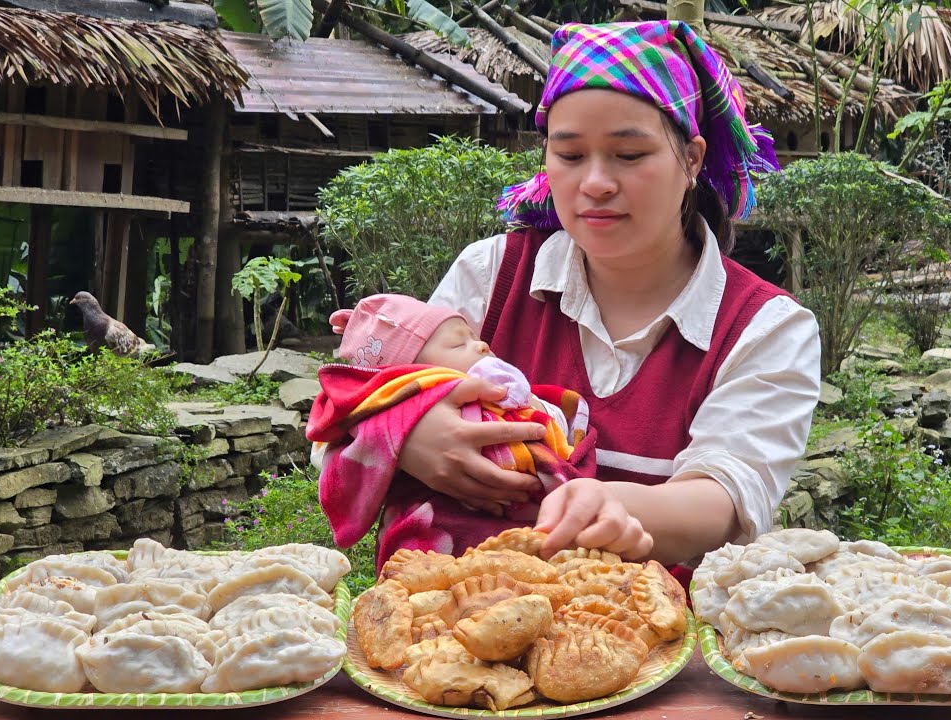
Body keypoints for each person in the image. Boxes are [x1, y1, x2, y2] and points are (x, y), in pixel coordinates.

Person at [402, 20, 822, 568]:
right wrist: (406, 436)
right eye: (571, 156)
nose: (595, 182)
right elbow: (348, 412)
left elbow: (723, 498)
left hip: (658, 638)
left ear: (692, 160)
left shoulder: (765, 327)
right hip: (451, 628)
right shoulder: (492, 276)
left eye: (629, 155)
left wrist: (614, 505)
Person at [306, 293, 595, 567]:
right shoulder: (398, 402)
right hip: (436, 541)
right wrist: (403, 430)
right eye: (459, 345)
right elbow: (338, 448)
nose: (482, 346)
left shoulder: (505, 396)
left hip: (528, 534)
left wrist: (531, 404)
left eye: (477, 338)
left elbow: (558, 428)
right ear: (412, 373)